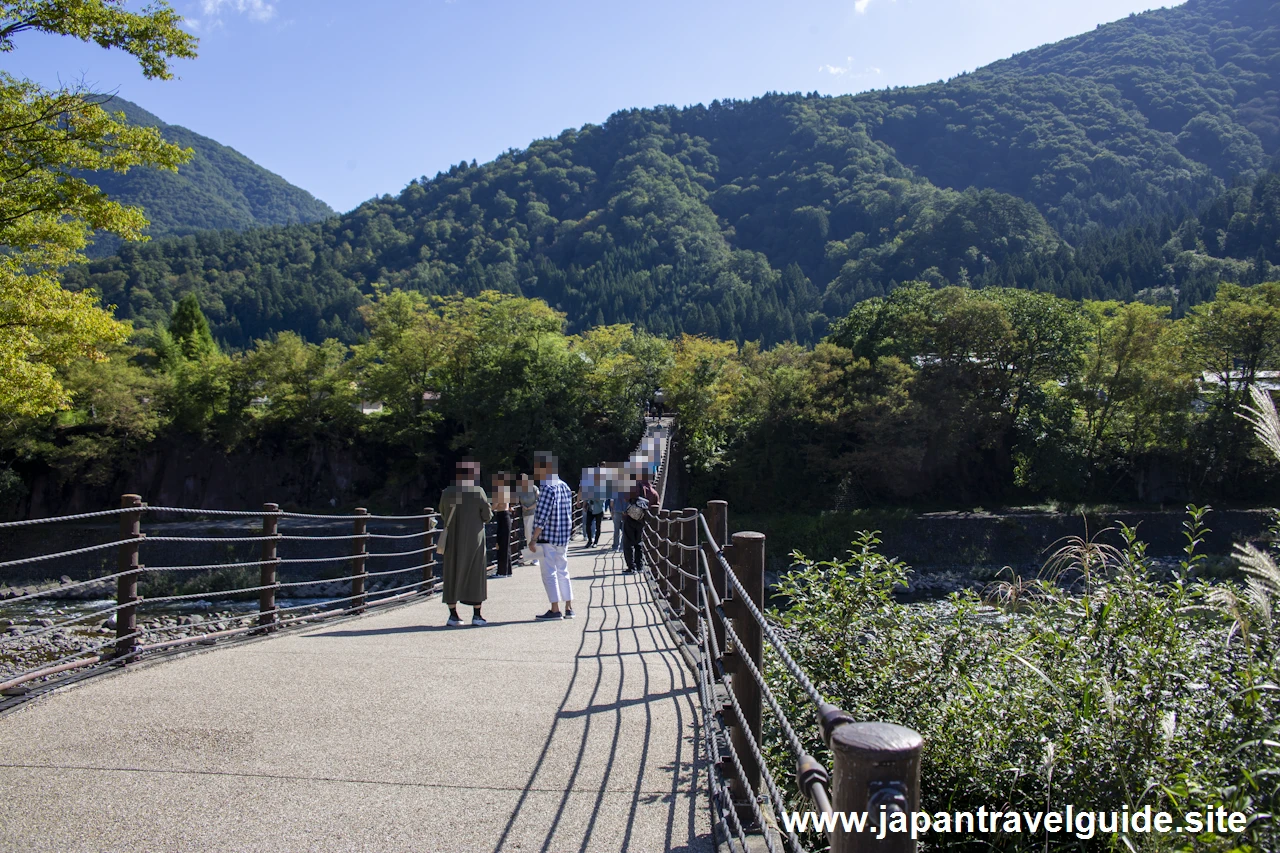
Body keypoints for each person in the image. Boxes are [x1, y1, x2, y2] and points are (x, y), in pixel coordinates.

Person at [439, 459, 493, 626]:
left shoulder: (447, 492)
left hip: (453, 539)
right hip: (473, 539)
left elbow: (442, 513)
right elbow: (487, 516)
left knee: (452, 572)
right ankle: (477, 615)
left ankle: (453, 615)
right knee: (475, 574)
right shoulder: (478, 492)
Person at [530, 450, 575, 619]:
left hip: (548, 537)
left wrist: (533, 539)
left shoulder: (547, 488)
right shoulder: (564, 486)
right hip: (563, 536)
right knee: (563, 570)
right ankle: (569, 607)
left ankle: (555, 609)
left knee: (549, 572)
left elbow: (542, 516)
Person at [621, 460, 659, 575]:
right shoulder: (653, 491)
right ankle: (639, 566)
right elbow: (656, 505)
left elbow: (626, 498)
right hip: (642, 519)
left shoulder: (634, 485)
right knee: (639, 542)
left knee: (628, 542)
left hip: (631, 516)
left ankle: (631, 567)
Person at [515, 472, 539, 565]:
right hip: (525, 515)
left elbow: (539, 499)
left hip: (534, 514)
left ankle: (536, 558)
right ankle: (531, 556)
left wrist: (530, 507)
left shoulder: (533, 488)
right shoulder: (520, 490)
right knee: (527, 535)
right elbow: (517, 501)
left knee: (533, 535)